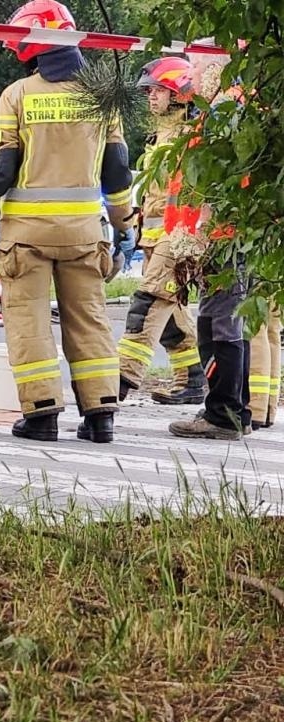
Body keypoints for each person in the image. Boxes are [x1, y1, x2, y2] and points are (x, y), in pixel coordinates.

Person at [0, 0, 135, 443]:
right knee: (89, 319)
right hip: (86, 233)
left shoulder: (19, 95)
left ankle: (42, 415)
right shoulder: (102, 94)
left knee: (27, 322)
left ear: (31, 44)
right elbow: (118, 170)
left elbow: (1, 166)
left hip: (26, 236)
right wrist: (126, 226)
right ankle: (101, 414)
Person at [167, 42, 254, 439]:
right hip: (237, 233)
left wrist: (193, 233)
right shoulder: (241, 106)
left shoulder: (224, 113)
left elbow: (209, 181)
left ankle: (222, 415)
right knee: (228, 322)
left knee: (217, 324)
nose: (192, 74)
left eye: (197, 65)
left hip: (221, 234)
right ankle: (239, 412)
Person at [114, 56, 205, 406]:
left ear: (180, 93)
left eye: (159, 90)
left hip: (179, 236)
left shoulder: (191, 135)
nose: (151, 97)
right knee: (170, 317)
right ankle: (192, 380)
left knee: (148, 305)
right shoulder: (162, 133)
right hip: (156, 236)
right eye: (150, 90)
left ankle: (121, 378)